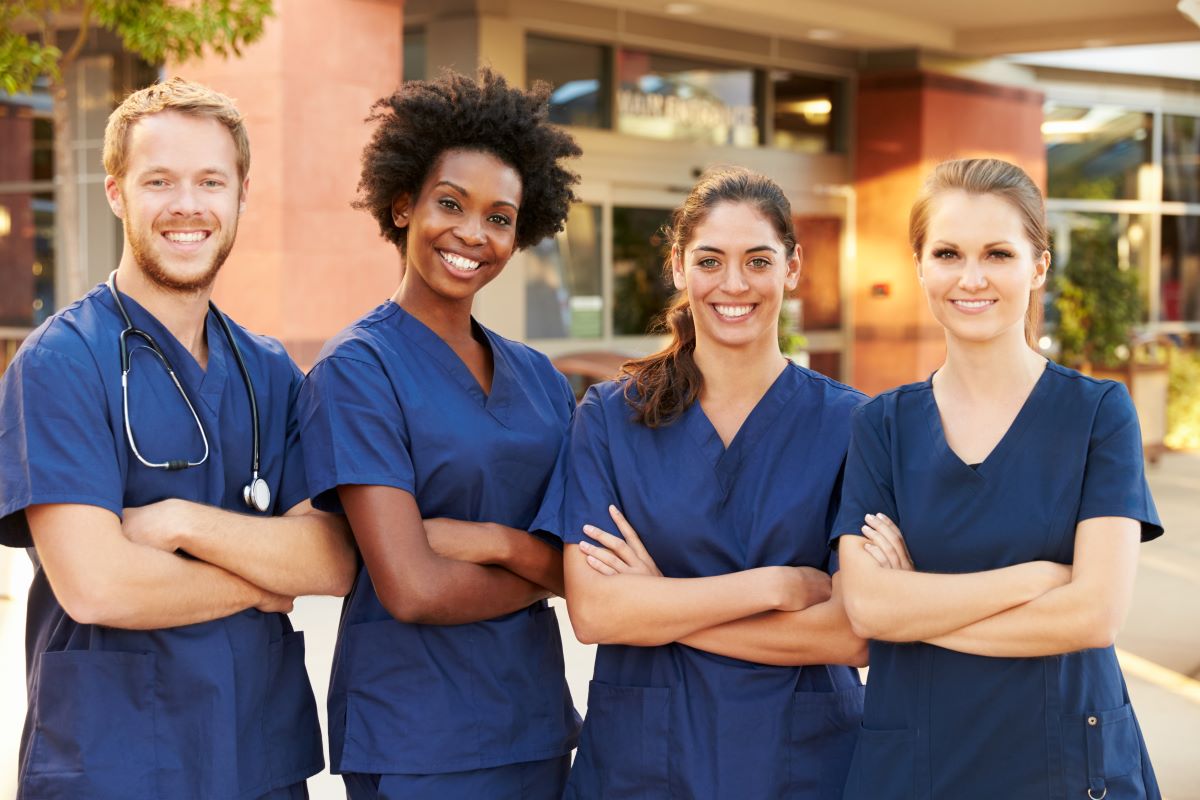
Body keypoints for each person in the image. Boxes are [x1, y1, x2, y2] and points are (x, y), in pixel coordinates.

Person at [0, 77, 357, 799]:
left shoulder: (269, 369)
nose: (187, 205)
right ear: (116, 192)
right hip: (116, 760)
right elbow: (99, 586)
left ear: (241, 196)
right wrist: (261, 580)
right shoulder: (61, 361)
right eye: (159, 180)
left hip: (257, 760)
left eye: (210, 181)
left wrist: (178, 522)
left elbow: (332, 559)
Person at [833, 158, 1163, 799]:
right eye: (949, 253)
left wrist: (916, 610)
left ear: (1038, 266)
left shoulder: (1097, 414)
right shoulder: (882, 425)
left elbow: (1094, 616)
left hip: (1064, 758)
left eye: (998, 253)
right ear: (920, 265)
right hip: (918, 760)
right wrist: (1034, 581)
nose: (972, 278)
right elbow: (867, 604)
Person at [537, 166, 869, 799]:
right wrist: (773, 585)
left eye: (758, 260)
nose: (734, 284)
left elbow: (850, 633)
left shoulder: (852, 425)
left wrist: (659, 605)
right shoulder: (610, 418)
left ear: (792, 268)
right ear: (678, 266)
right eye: (710, 260)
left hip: (801, 766)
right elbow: (597, 610)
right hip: (646, 765)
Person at [296, 69, 582, 799]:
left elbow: (581, 569)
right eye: (450, 204)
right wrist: (541, 571)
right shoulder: (359, 369)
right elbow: (413, 587)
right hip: (418, 738)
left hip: (537, 725)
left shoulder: (541, 379)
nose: (472, 234)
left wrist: (494, 543)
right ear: (402, 205)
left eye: (500, 217)